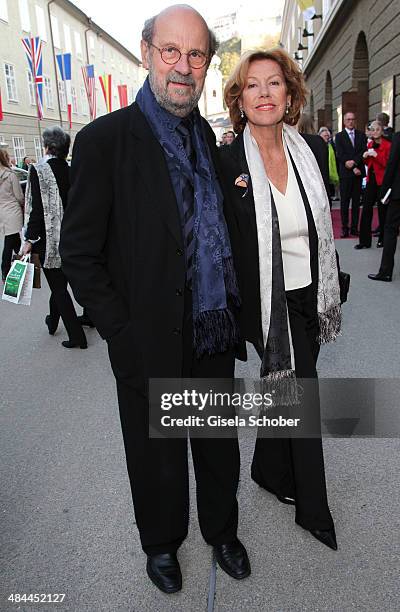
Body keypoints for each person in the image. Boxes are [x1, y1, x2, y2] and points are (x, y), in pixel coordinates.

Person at [59, 5, 250, 595]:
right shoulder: (105, 141)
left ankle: (222, 530)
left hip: (213, 327)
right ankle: (161, 543)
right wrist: (121, 331)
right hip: (148, 335)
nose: (183, 67)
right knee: (156, 456)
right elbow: (80, 253)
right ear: (146, 52)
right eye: (171, 51)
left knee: (217, 446)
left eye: (196, 55)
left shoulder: (212, 143)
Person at [220, 48, 341, 551]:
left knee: (284, 390)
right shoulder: (227, 162)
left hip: (312, 292)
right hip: (269, 302)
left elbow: (320, 227)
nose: (264, 93)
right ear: (239, 98)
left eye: (274, 83)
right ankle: (313, 506)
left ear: (289, 94)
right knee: (302, 394)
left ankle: (268, 468)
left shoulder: (308, 150)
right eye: (253, 85)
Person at [22, 126, 87, 349]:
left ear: (47, 146)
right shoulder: (72, 169)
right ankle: (53, 322)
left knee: (59, 288)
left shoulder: (38, 171)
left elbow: (36, 209)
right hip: (75, 237)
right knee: (61, 282)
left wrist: (29, 239)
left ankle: (77, 337)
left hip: (51, 240)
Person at [368, 130, 400, 282]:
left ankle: (386, 271)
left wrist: (384, 191)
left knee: (390, 229)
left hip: (398, 193)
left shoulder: (398, 138)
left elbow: (392, 164)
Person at [355, 121, 391, 249]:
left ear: (382, 131)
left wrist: (376, 155)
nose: (375, 131)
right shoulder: (370, 144)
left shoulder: (388, 145)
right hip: (371, 180)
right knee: (366, 210)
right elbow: (368, 162)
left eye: (377, 129)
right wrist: (365, 157)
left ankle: (383, 239)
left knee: (383, 211)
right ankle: (364, 241)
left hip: (383, 182)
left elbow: (388, 164)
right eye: (373, 129)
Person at [335, 112, 367, 237]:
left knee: (355, 203)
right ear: (344, 121)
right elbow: (340, 154)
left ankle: (354, 227)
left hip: (358, 173)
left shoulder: (361, 135)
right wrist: (351, 165)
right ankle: (345, 228)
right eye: (348, 119)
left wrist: (354, 163)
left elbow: (362, 151)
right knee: (344, 202)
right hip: (345, 174)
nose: (351, 121)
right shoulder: (339, 136)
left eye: (353, 119)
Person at [0, 149, 24, 280]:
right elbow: (19, 196)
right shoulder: (10, 175)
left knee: (14, 238)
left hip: (1, 212)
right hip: (12, 210)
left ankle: (21, 259)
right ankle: (5, 269)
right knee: (10, 241)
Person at [319, 126, 339, 201]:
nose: (327, 137)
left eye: (327, 136)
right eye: (325, 136)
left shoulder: (332, 145)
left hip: (332, 172)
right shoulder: (318, 146)